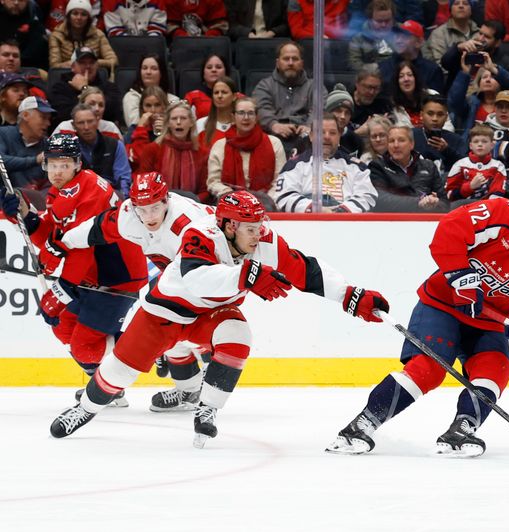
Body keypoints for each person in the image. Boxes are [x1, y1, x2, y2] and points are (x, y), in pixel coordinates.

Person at [48, 189, 391, 444]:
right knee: (117, 372)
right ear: (227, 226)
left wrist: (351, 296)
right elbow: (198, 279)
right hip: (162, 315)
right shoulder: (199, 235)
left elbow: (307, 271)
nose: (259, 233)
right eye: (249, 227)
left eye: (259, 225)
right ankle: (86, 410)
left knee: (239, 337)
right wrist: (246, 277)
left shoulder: (263, 239)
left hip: (209, 315)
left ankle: (207, 409)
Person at [327, 173, 509, 457]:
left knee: (495, 369)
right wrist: (464, 281)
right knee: (428, 369)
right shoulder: (499, 212)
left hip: (487, 322)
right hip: (442, 307)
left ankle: (461, 430)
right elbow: (450, 230)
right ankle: (361, 426)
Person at [0, 134, 147, 395]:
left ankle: (152, 348)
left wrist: (62, 290)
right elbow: (54, 237)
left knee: (84, 347)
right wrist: (24, 213)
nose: (57, 172)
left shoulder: (92, 189)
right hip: (91, 278)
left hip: (116, 277)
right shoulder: (61, 191)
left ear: (78, 164)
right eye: (52, 164)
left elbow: (82, 246)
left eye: (64, 165)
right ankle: (109, 386)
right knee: (62, 325)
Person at [60, 172, 217, 411]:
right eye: (141, 209)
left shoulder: (188, 226)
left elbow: (202, 276)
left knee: (185, 328)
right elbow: (96, 229)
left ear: (166, 201)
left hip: (213, 273)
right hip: (178, 273)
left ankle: (209, 371)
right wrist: (62, 243)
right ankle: (189, 392)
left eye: (154, 208)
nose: (148, 216)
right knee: (172, 331)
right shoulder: (129, 215)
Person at [274, 114, 377, 213]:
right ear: (311, 136)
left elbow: (367, 195)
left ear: (339, 136)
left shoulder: (356, 167)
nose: (327, 137)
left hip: (345, 223)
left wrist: (341, 212)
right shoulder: (294, 165)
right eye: (321, 132)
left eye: (332, 133)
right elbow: (284, 196)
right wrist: (314, 209)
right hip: (306, 223)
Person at [207, 97, 286, 207]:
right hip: (230, 202)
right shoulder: (220, 146)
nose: (246, 117)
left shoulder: (274, 143)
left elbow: (279, 181)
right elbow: (213, 182)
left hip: (265, 203)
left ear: (256, 117)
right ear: (233, 117)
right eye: (241, 113)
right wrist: (232, 197)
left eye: (250, 113)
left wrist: (267, 200)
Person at [252, 41, 323, 156]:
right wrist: (273, 125)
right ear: (277, 62)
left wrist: (310, 126)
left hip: (308, 139)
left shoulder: (315, 86)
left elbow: (321, 108)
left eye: (295, 59)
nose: (290, 63)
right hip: (273, 138)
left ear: (302, 63)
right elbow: (260, 108)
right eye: (286, 59)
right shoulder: (264, 85)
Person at [134, 100, 209, 201]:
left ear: (191, 122)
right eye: (174, 118)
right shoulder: (153, 149)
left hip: (193, 208)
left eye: (183, 118)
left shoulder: (202, 153)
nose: (178, 122)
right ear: (168, 123)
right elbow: (143, 183)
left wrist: (192, 202)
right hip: (158, 206)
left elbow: (205, 190)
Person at [368, 124, 448, 212]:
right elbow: (380, 199)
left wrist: (434, 203)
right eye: (391, 141)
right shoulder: (378, 166)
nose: (396, 145)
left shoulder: (429, 166)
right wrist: (419, 201)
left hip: (425, 221)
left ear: (411, 144)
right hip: (392, 221)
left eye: (401, 140)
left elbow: (445, 203)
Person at [448, 49, 509, 132]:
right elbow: (455, 102)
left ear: (500, 81)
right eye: (484, 77)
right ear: (479, 82)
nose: (488, 80)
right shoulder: (470, 103)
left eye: (492, 77)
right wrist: (465, 73)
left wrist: (493, 69)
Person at [47, 46, 123, 126]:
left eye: (92, 62)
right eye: (82, 62)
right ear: (73, 67)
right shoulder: (60, 87)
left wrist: (84, 88)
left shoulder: (109, 87)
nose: (88, 66)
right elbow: (63, 115)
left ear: (97, 66)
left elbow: (112, 111)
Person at [440, 20, 509, 92]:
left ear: (497, 43)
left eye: (486, 37)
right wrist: (458, 48)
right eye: (480, 33)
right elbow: (445, 64)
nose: (480, 38)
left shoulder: (506, 64)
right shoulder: (464, 51)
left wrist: (494, 70)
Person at [70, 103, 132, 198]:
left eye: (90, 121)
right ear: (73, 125)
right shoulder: (68, 148)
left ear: (97, 121)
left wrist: (124, 199)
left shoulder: (115, 145)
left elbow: (123, 178)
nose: (86, 127)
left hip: (110, 195)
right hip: (78, 196)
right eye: (81, 123)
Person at [0, 96, 52, 196]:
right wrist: (35, 160)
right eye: (43, 117)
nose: (48, 123)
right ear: (26, 115)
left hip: (35, 204)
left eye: (49, 119)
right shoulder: (3, 133)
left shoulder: (48, 146)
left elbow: (50, 183)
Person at [378, 19, 445, 94]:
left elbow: (437, 102)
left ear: (419, 42)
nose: (398, 41)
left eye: (404, 37)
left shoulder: (432, 71)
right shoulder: (382, 68)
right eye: (397, 36)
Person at [48, 0, 118, 71]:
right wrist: (75, 64)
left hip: (93, 74)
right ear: (68, 16)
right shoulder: (57, 35)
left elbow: (113, 61)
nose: (79, 18)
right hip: (67, 75)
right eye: (75, 14)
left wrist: (92, 63)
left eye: (83, 14)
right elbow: (54, 66)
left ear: (89, 18)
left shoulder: (98, 34)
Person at [446, 124, 508, 202]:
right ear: (470, 146)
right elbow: (450, 194)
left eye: (484, 141)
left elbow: (498, 192)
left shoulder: (498, 166)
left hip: (488, 206)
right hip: (462, 206)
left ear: (492, 145)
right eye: (476, 141)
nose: (480, 144)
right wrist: (470, 186)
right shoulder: (460, 164)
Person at [413, 95, 468, 175]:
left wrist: (447, 150)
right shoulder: (410, 136)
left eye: (440, 114)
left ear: (446, 117)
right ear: (421, 115)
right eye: (430, 114)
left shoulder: (456, 140)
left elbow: (467, 166)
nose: (435, 118)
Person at [122, 54, 179, 128]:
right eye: (144, 68)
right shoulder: (131, 97)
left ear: (161, 73)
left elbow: (178, 125)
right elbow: (133, 124)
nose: (148, 72)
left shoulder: (174, 100)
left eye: (154, 68)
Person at [53, 86, 123, 140]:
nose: (97, 109)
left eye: (101, 105)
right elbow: (49, 155)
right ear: (81, 105)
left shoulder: (111, 129)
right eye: (92, 104)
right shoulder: (64, 128)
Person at [424, 0, 479, 66]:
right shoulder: (439, 34)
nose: (461, 6)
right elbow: (440, 65)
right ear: (451, 10)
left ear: (471, 11)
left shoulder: (479, 33)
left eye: (465, 3)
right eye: (456, 3)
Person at [348, 0, 399, 71]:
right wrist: (375, 69)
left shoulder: (403, 33)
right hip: (370, 78)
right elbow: (354, 64)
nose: (383, 25)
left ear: (393, 18)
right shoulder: (358, 39)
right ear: (370, 20)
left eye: (387, 21)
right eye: (379, 21)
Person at [0, 0, 48, 69]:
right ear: (2, 1)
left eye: (21, 0)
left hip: (26, 69)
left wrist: (14, 61)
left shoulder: (35, 24)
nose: (16, 3)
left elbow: (35, 53)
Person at [184, 53, 230, 120]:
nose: (214, 70)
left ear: (226, 72)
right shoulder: (192, 96)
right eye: (209, 67)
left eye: (218, 67)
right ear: (203, 74)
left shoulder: (237, 97)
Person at [197, 76, 236, 148]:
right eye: (216, 93)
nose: (220, 96)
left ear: (234, 96)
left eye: (224, 92)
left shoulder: (241, 124)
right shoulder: (200, 124)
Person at [351, 66, 393, 134]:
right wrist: (357, 133)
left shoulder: (384, 105)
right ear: (357, 84)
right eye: (368, 87)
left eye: (376, 88)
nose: (372, 92)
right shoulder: (345, 103)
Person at [325, 83, 363, 157]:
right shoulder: (313, 136)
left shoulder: (356, 140)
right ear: (327, 112)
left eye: (347, 113)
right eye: (338, 111)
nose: (343, 116)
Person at [103, 0, 167, 36]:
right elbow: (114, 32)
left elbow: (157, 30)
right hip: (122, 47)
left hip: (150, 47)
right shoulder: (110, 1)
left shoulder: (158, 1)